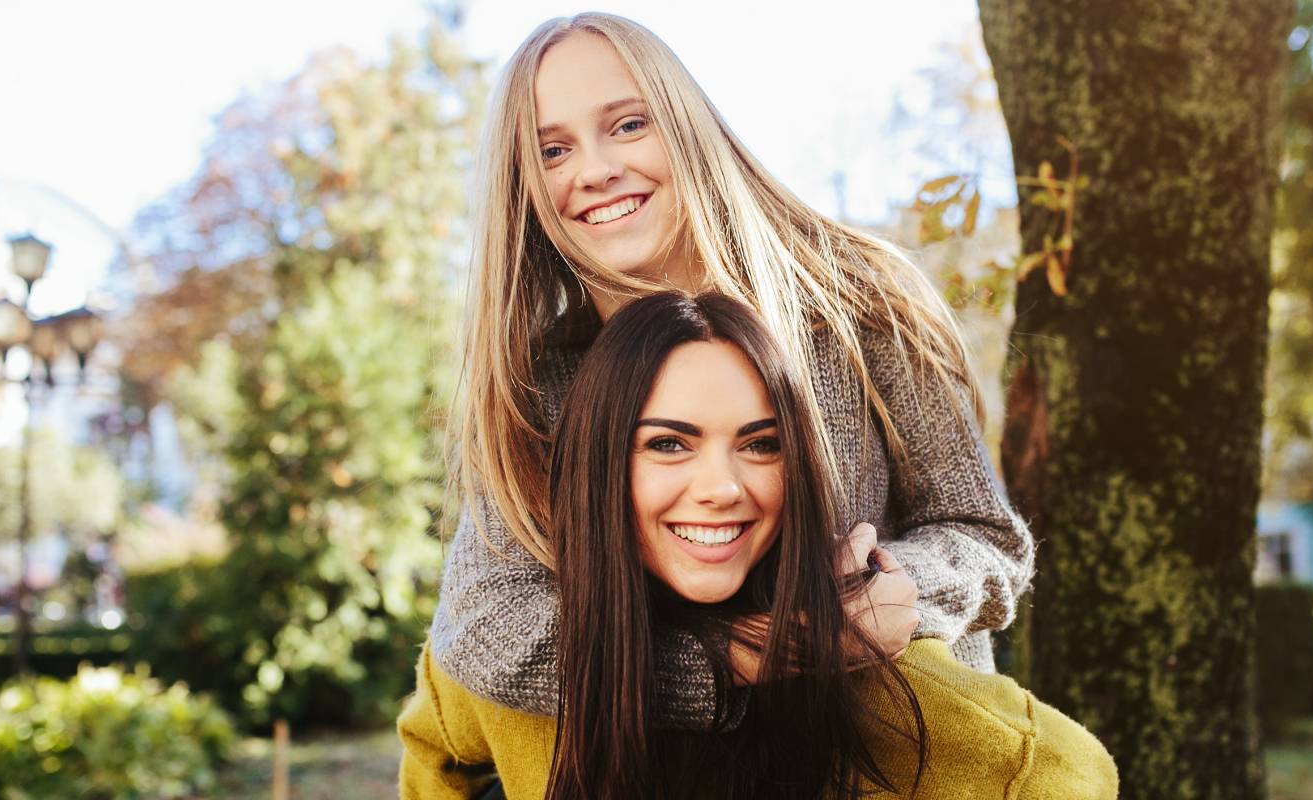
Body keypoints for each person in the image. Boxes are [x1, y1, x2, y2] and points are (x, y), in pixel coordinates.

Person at [432, 10, 1034, 737]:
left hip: (914, 752)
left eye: (628, 125)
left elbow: (983, 537)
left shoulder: (859, 306)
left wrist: (892, 595)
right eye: (553, 150)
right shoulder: (535, 383)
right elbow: (485, 624)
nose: (594, 170)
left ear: (685, 124)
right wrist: (747, 654)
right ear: (522, 183)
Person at [399, 292, 1117, 799]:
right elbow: (434, 752)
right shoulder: (503, 660)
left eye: (761, 444)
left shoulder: (883, 677)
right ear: (599, 465)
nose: (721, 488)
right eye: (668, 444)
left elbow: (1066, 772)